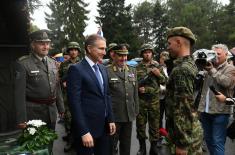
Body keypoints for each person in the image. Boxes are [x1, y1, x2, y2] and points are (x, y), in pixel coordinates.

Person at [67, 34, 116, 155]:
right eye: (101, 48)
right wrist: (83, 131)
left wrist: (110, 119)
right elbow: (74, 103)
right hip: (87, 130)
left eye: (105, 49)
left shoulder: (103, 68)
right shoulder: (76, 69)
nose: (104, 52)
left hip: (104, 127)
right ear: (89, 48)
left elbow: (107, 95)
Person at [165, 26, 203, 155]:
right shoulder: (191, 64)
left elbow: (184, 107)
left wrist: (182, 143)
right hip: (190, 130)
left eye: (169, 43)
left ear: (179, 43)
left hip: (186, 137)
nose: (168, 47)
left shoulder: (182, 69)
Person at [18, 29, 65, 130]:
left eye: (47, 43)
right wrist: (21, 119)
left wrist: (61, 108)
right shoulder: (23, 64)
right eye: (41, 44)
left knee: (50, 142)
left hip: (51, 112)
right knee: (36, 144)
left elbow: (57, 86)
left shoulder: (53, 62)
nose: (45, 47)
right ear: (33, 45)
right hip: (33, 114)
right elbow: (19, 94)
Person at [198, 44, 235, 155]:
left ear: (226, 54)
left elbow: (228, 83)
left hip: (220, 112)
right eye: (213, 54)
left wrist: (212, 71)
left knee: (217, 141)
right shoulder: (208, 65)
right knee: (208, 140)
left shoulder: (230, 68)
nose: (216, 56)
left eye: (218, 54)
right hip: (205, 110)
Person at [107, 44, 139, 155]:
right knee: (111, 146)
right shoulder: (107, 71)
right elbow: (105, 95)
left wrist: (136, 110)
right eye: (120, 55)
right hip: (114, 116)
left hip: (128, 115)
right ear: (113, 56)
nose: (123, 58)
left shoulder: (132, 70)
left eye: (125, 55)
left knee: (126, 146)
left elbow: (135, 93)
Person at [136, 44, 166, 155]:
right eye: (145, 52)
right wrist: (139, 89)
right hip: (141, 101)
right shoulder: (137, 67)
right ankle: (142, 148)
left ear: (152, 54)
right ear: (142, 54)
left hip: (154, 101)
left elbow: (165, 81)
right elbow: (134, 83)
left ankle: (153, 148)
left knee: (154, 125)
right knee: (140, 125)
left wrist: (159, 75)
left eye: (149, 52)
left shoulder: (157, 66)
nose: (147, 54)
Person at [59, 41, 81, 152]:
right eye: (71, 50)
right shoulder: (63, 64)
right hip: (67, 96)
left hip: (79, 96)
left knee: (78, 118)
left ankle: (77, 139)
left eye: (75, 50)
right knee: (68, 118)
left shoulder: (82, 63)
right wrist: (62, 83)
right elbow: (58, 78)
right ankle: (70, 139)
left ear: (78, 51)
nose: (73, 52)